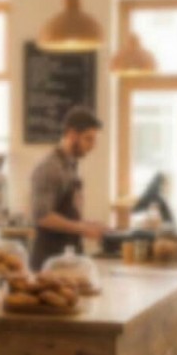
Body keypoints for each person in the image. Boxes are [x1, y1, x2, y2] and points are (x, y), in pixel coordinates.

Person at [29, 106, 110, 271]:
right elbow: (42, 216)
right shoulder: (50, 168)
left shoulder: (71, 165)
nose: (92, 146)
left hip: (67, 256)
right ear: (72, 135)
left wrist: (88, 224)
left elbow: (66, 212)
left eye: (94, 140)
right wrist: (82, 228)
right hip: (49, 261)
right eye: (88, 139)